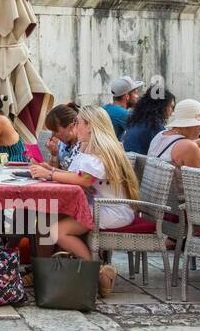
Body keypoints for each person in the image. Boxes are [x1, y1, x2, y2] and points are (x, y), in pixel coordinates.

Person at [29, 106, 140, 295]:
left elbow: (84, 180)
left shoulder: (100, 151)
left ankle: (97, 274)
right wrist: (51, 170)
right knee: (46, 217)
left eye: (78, 122)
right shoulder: (90, 147)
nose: (75, 126)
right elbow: (78, 176)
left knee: (57, 231)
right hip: (99, 206)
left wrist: (51, 174)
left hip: (111, 210)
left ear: (90, 126)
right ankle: (43, 272)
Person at [146, 98, 200, 192]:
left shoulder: (159, 135)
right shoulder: (189, 147)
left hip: (155, 197)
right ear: (191, 125)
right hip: (179, 203)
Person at [122, 88, 174, 155]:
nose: (171, 110)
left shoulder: (136, 121)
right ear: (162, 106)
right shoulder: (154, 127)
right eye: (170, 106)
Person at [42, 102, 81, 167]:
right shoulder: (61, 144)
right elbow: (53, 171)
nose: (53, 136)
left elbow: (77, 175)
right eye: (51, 131)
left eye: (55, 131)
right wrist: (54, 154)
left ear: (71, 126)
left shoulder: (84, 145)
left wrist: (48, 171)